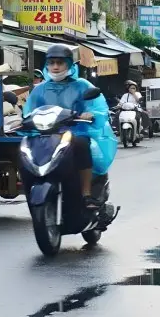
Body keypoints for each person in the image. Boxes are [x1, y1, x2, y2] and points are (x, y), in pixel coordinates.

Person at [23, 44, 109, 209]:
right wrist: (23, 120)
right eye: (52, 62)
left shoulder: (82, 85)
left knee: (82, 145)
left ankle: (86, 194)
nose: (55, 67)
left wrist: (90, 114)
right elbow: (28, 111)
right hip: (45, 134)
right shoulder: (39, 89)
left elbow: (98, 108)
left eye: (60, 63)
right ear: (46, 65)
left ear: (69, 64)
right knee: (25, 147)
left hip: (74, 131)